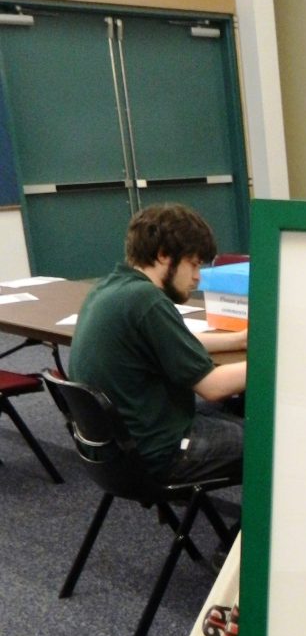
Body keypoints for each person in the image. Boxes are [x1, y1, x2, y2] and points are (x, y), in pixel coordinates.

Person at [68, 203, 246, 486]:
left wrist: (237, 339)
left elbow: (175, 341)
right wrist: (275, 359)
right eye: (194, 264)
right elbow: (213, 387)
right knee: (273, 438)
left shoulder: (109, 288)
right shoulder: (147, 301)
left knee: (236, 417)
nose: (198, 277)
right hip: (160, 454)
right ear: (164, 255)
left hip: (116, 451)